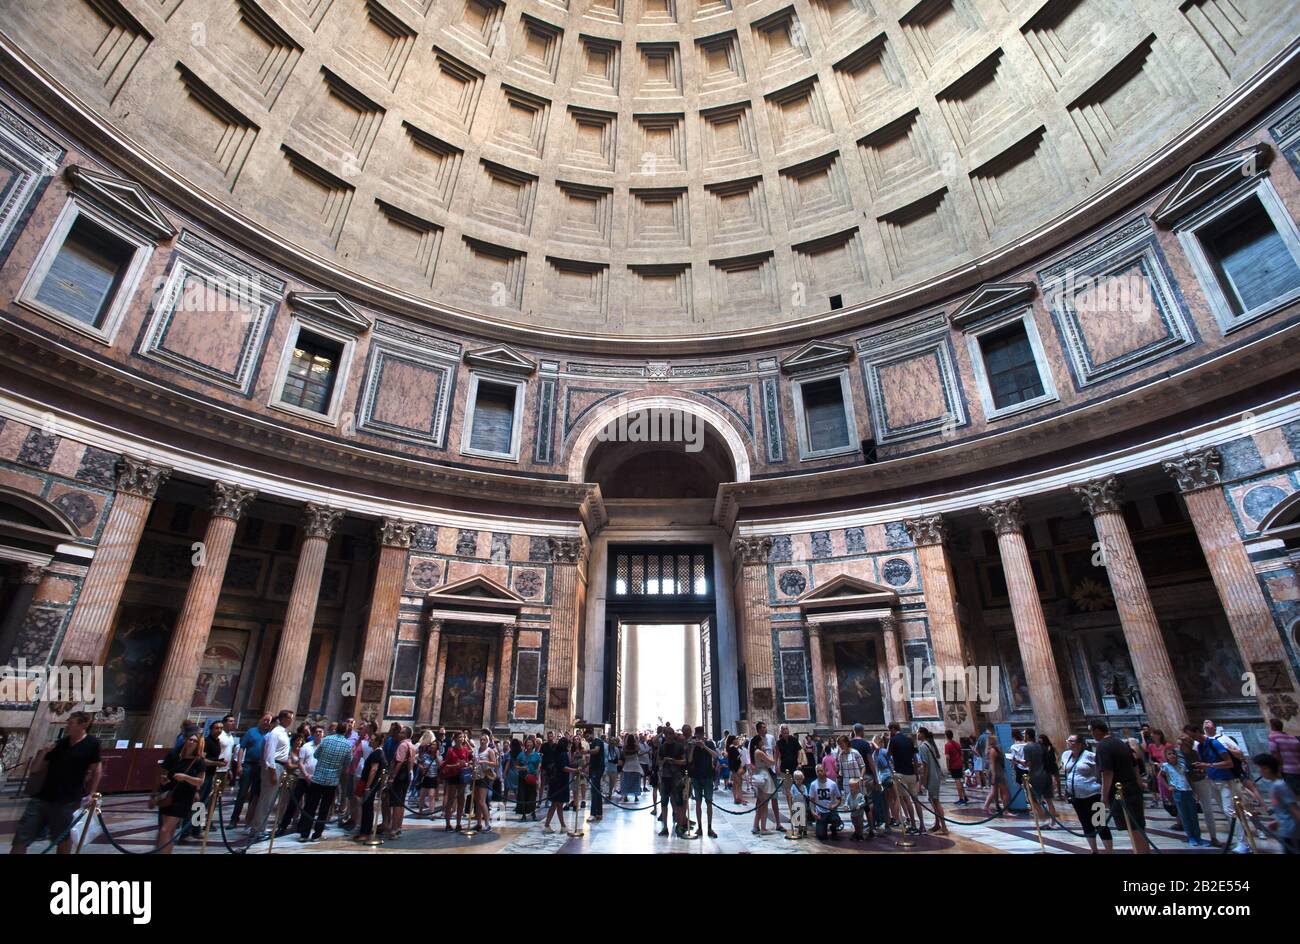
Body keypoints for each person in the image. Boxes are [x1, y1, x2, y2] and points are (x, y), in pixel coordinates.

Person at [10, 711, 102, 855]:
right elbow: (35, 769)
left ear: (83, 724)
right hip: (42, 798)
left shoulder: (92, 744)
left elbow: (97, 770)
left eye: (71, 722)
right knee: (21, 837)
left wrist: (91, 794)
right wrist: (44, 752)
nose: (67, 725)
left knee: (63, 839)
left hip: (67, 801)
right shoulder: (60, 743)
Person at [1091, 720, 1149, 854]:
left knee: (1133, 828)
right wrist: (1139, 782)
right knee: (1138, 825)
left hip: (1120, 791)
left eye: (1092, 731)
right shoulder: (1120, 742)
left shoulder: (1103, 746)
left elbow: (1107, 772)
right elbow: (1134, 764)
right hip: (1132, 787)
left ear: (1097, 730)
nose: (1092, 734)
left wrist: (1103, 796)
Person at [1192, 722, 1249, 853]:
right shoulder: (1200, 746)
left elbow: (1230, 760)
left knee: (1229, 810)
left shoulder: (1216, 741)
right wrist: (1203, 768)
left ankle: (1244, 843)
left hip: (1225, 779)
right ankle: (1239, 840)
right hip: (1212, 779)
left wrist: (1210, 765)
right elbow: (1206, 762)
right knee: (1225, 811)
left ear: (1197, 732)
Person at [297, 721, 351, 842]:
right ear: (346, 731)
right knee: (324, 809)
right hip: (332, 781)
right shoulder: (347, 745)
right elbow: (347, 762)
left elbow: (316, 755)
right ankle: (317, 834)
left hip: (318, 778)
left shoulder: (326, 740)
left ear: (336, 729)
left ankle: (304, 833)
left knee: (310, 806)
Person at [154, 730, 205, 854]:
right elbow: (163, 773)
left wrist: (185, 777)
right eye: (190, 739)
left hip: (183, 797)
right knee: (167, 830)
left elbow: (200, 781)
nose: (191, 742)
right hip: (168, 795)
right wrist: (162, 781)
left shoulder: (198, 761)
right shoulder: (174, 756)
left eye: (195, 741)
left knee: (166, 829)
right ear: (185, 740)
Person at [249, 709, 295, 841]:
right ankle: (257, 829)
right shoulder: (275, 733)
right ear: (283, 719)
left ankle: (260, 827)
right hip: (274, 766)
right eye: (289, 718)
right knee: (266, 799)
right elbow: (269, 754)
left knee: (270, 800)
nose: (291, 720)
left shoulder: (283, 733)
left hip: (279, 766)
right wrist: (273, 772)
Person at [1061, 733, 1111, 853]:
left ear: (1079, 744)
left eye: (1071, 741)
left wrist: (1105, 792)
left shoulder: (1091, 756)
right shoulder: (1066, 755)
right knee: (1085, 823)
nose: (1068, 742)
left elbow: (1103, 772)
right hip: (1076, 796)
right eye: (1068, 740)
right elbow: (1065, 769)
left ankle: (1109, 851)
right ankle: (1094, 851)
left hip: (1093, 794)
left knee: (1100, 823)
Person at [1159, 741, 1205, 847]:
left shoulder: (1182, 765)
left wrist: (1194, 791)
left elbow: (1188, 778)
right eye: (1169, 754)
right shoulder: (1165, 766)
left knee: (1193, 815)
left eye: (1173, 753)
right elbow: (1160, 777)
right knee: (1184, 815)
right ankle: (1191, 837)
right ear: (1166, 756)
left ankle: (1198, 836)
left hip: (1188, 790)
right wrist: (1168, 787)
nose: (1172, 755)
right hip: (1178, 792)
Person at [229, 712, 269, 828]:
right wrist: (239, 765)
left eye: (269, 721)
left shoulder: (269, 734)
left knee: (255, 795)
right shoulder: (251, 732)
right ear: (261, 719)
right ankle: (234, 819)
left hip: (260, 767)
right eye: (265, 720)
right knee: (242, 793)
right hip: (248, 765)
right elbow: (242, 748)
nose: (266, 723)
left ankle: (249, 819)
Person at [1253, 753, 1299, 854]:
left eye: (1260, 768)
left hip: (1292, 832)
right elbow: (1286, 809)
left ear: (1266, 769)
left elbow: (1294, 809)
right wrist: (1277, 822)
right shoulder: (1275, 785)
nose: (1259, 771)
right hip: (1287, 830)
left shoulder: (1280, 786)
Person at [887, 722, 923, 833]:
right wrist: (917, 774)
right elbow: (915, 759)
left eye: (890, 730)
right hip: (912, 774)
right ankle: (922, 825)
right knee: (915, 800)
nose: (890, 733)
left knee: (906, 800)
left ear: (893, 729)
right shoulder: (909, 740)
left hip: (900, 774)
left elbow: (887, 755)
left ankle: (913, 825)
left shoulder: (893, 740)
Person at [915, 727, 948, 835]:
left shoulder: (923, 747)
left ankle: (944, 827)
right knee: (932, 800)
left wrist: (923, 781)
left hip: (932, 777)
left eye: (918, 733)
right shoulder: (929, 744)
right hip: (936, 775)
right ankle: (937, 824)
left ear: (923, 734)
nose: (917, 735)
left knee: (935, 801)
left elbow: (925, 765)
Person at [355, 730, 387, 840]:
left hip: (370, 785)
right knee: (366, 807)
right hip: (371, 784)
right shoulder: (378, 752)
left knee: (367, 807)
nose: (370, 741)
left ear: (378, 742)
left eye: (372, 740)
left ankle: (365, 832)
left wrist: (368, 786)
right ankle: (365, 831)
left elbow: (373, 770)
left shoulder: (377, 753)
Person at [687, 725, 718, 839]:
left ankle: (709, 827)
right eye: (697, 735)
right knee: (698, 802)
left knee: (709, 802)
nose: (698, 737)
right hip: (696, 776)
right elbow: (689, 760)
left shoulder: (709, 743)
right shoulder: (693, 745)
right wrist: (694, 747)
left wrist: (704, 746)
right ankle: (700, 827)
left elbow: (715, 756)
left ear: (703, 735)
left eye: (700, 735)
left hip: (708, 776)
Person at [543, 737, 577, 834]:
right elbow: (563, 767)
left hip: (555, 782)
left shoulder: (556, 752)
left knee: (556, 804)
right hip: (560, 782)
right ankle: (561, 826)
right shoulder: (563, 754)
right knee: (558, 804)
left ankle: (551, 825)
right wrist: (575, 770)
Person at [439, 732, 471, 831]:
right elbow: (445, 765)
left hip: (462, 776)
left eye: (463, 737)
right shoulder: (450, 750)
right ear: (455, 739)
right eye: (460, 737)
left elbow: (467, 762)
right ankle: (448, 824)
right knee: (451, 799)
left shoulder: (465, 750)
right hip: (452, 776)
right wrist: (456, 765)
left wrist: (466, 764)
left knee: (462, 800)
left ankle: (458, 823)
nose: (462, 739)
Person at [750, 733, 778, 835]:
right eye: (762, 740)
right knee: (764, 804)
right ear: (759, 742)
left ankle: (755, 826)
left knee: (759, 803)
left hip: (759, 774)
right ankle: (763, 828)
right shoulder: (759, 752)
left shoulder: (755, 752)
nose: (764, 742)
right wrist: (773, 754)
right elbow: (771, 762)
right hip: (763, 776)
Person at [809, 764, 842, 840]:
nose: (820, 773)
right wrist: (813, 812)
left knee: (835, 820)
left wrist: (834, 805)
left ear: (825, 771)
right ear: (816, 773)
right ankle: (822, 827)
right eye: (818, 771)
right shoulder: (813, 784)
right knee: (821, 836)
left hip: (831, 811)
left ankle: (834, 829)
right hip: (820, 812)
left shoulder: (832, 784)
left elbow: (839, 798)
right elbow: (811, 800)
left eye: (821, 770)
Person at [1267, 718, 1300, 793]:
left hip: (1286, 770)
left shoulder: (1273, 737)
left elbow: (1275, 754)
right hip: (1297, 768)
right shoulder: (1292, 737)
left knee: (1292, 793)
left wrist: (1277, 769)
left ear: (1272, 727)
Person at [515, 736, 541, 819]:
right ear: (525, 744)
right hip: (522, 777)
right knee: (523, 795)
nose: (529, 744)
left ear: (533, 744)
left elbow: (538, 767)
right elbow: (516, 766)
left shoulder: (536, 755)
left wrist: (538, 778)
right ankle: (523, 814)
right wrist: (522, 768)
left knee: (532, 795)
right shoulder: (521, 754)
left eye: (530, 743)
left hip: (532, 777)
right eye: (527, 743)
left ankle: (532, 812)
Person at [983, 734, 1008, 814]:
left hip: (998, 771)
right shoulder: (993, 750)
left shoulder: (994, 749)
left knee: (994, 792)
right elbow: (992, 764)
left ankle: (986, 806)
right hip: (997, 772)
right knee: (1004, 792)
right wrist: (993, 776)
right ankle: (1005, 811)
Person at [415, 730, 439, 815]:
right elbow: (419, 763)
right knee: (422, 796)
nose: (432, 747)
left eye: (434, 746)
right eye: (431, 745)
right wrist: (422, 768)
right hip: (425, 778)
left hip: (433, 778)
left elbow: (440, 766)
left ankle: (431, 812)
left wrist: (436, 757)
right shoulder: (425, 755)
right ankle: (420, 812)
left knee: (431, 796)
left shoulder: (438, 757)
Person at [944, 729, 967, 804]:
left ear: (946, 736)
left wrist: (947, 766)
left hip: (954, 765)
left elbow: (947, 757)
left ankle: (961, 798)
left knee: (957, 781)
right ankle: (965, 796)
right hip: (959, 763)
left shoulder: (947, 745)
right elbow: (961, 754)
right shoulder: (956, 743)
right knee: (960, 781)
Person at [587, 729, 606, 821]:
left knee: (594, 791)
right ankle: (599, 813)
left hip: (597, 768)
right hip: (594, 768)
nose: (587, 739)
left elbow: (596, 751)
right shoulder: (592, 743)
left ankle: (593, 813)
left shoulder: (597, 741)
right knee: (597, 790)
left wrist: (587, 751)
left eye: (587, 736)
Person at [787, 769, 810, 837]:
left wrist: (804, 794)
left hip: (803, 804)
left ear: (802, 779)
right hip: (796, 804)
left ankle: (804, 829)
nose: (798, 781)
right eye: (797, 779)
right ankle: (800, 829)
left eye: (800, 779)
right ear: (794, 779)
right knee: (798, 817)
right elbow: (791, 795)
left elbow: (806, 794)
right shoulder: (793, 787)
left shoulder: (804, 787)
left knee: (804, 817)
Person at [620, 733, 643, 800]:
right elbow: (638, 749)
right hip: (636, 767)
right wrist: (635, 741)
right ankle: (636, 796)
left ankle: (625, 796)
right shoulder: (636, 747)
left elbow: (624, 755)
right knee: (636, 782)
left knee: (626, 783)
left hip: (627, 766)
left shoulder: (625, 747)